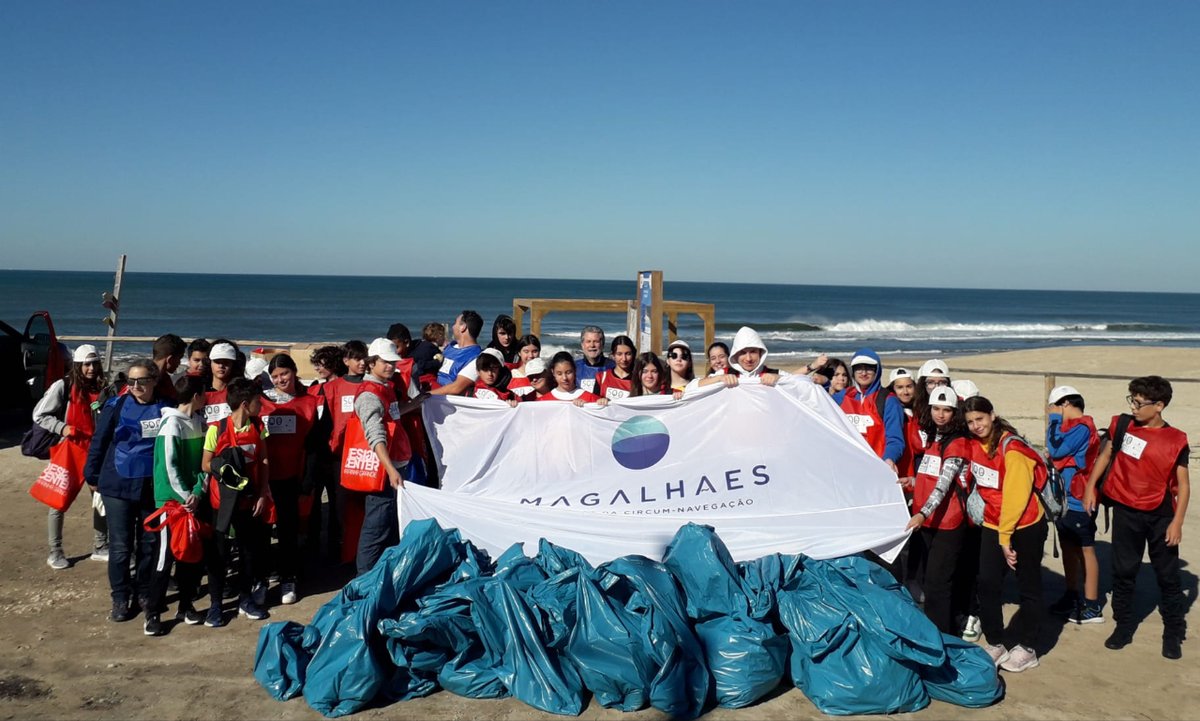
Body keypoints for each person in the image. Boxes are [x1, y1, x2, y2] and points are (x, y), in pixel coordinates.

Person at [1083, 376, 1189, 660]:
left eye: (1139, 403)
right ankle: (1124, 625)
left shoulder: (1176, 439)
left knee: (1167, 576)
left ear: (1159, 406)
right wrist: (1091, 487)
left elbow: (1184, 485)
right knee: (1124, 571)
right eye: (1132, 400)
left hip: (1160, 514)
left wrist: (1177, 521)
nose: (1134, 407)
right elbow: (1106, 455)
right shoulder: (1123, 425)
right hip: (1126, 511)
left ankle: (1173, 630)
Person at [84, 359, 174, 626]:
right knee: (121, 547)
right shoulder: (116, 405)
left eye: (142, 381)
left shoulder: (168, 407)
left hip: (152, 488)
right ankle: (120, 596)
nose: (135, 386)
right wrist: (92, 475)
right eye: (131, 381)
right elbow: (99, 440)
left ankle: (144, 591)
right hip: (117, 485)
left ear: (154, 380)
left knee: (149, 545)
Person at [963, 395, 1047, 673]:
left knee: (1029, 587)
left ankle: (1028, 647)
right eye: (971, 422)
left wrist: (1005, 539)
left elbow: (1015, 497)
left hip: (1025, 525)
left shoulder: (1012, 449)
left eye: (980, 419)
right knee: (987, 582)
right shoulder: (975, 444)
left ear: (993, 416)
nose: (976, 425)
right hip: (993, 523)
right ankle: (996, 641)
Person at [201, 377, 272, 625]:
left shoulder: (258, 426)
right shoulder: (216, 429)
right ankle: (216, 606)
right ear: (244, 403)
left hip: (250, 501)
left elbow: (263, 459)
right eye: (257, 401)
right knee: (218, 555)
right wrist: (225, 472)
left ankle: (245, 599)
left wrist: (263, 493)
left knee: (248, 552)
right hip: (221, 503)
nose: (261, 405)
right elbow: (206, 463)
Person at [903, 386, 972, 635]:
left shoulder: (957, 443)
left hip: (947, 524)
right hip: (929, 523)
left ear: (955, 413)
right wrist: (911, 481)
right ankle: (939, 632)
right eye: (936, 409)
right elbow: (932, 475)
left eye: (947, 410)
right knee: (933, 584)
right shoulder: (936, 438)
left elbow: (944, 484)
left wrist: (922, 513)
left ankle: (943, 637)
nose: (940, 414)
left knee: (937, 586)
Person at [34, 344, 109, 569]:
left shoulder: (104, 387)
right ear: (77, 366)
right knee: (58, 501)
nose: (91, 368)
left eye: (95, 363)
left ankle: (100, 546)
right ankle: (54, 551)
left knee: (100, 500)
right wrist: (62, 428)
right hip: (70, 450)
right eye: (86, 364)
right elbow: (39, 414)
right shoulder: (63, 386)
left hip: (96, 451)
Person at [146, 374, 209, 635]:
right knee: (164, 558)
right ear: (196, 396)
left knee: (191, 557)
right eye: (204, 393)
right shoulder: (171, 424)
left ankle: (186, 605)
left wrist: (198, 491)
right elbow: (169, 467)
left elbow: (205, 462)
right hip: (171, 506)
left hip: (192, 502)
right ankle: (152, 612)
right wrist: (187, 496)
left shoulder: (199, 421)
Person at [259, 353, 322, 605]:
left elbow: (315, 445)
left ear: (294, 372)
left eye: (284, 373)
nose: (280, 379)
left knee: (288, 530)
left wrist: (308, 480)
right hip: (263, 478)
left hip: (291, 478)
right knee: (261, 532)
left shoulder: (308, 402)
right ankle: (260, 580)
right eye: (274, 376)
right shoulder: (262, 402)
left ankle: (289, 578)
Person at [350, 339, 413, 575]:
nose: (391, 366)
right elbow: (375, 435)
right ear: (371, 363)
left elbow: (392, 415)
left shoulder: (384, 388)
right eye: (385, 362)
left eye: (393, 362)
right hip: (383, 473)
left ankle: (375, 577)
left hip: (393, 467)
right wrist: (390, 470)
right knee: (376, 529)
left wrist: (415, 404)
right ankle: (364, 581)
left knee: (386, 527)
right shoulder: (369, 394)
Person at [1044, 385, 1103, 625]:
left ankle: (1092, 605)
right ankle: (1071, 594)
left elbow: (1056, 448)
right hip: (1065, 499)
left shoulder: (1081, 427)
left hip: (1079, 500)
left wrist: (1054, 420)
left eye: (1056, 408)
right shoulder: (1073, 429)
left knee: (1085, 549)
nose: (1053, 414)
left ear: (1066, 404)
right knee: (1068, 547)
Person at [834, 349, 906, 473]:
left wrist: (889, 459)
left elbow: (895, 440)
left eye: (869, 368)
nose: (863, 373)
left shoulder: (889, 401)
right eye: (858, 368)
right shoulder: (842, 396)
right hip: (845, 467)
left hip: (875, 469)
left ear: (877, 371)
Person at [692, 327, 783, 390]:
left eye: (753, 352)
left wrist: (779, 378)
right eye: (743, 353)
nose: (748, 358)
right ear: (735, 355)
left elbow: (796, 382)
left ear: (761, 352)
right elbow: (692, 387)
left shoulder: (775, 374)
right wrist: (719, 378)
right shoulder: (725, 373)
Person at [431, 311, 484, 395]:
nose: (452, 327)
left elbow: (456, 388)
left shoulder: (476, 358)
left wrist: (425, 395)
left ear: (463, 327)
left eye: (455, 323)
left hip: (444, 400)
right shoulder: (450, 347)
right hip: (431, 386)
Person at [541, 351, 605, 406]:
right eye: (559, 374)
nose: (564, 378)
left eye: (568, 373)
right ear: (553, 372)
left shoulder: (590, 398)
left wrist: (588, 406)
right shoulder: (543, 401)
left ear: (575, 370)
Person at [203, 341, 240, 425]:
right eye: (217, 361)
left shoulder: (240, 391)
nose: (221, 366)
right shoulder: (199, 389)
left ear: (233, 364)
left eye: (226, 362)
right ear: (209, 362)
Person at [575, 325, 615, 395]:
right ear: (582, 345)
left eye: (596, 341)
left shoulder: (614, 367)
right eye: (588, 341)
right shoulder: (574, 367)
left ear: (602, 344)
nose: (592, 345)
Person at [595, 336, 636, 400]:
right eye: (619, 354)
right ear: (613, 355)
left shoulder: (638, 379)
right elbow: (593, 403)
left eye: (628, 354)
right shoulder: (601, 377)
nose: (624, 359)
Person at [152, 334, 186, 401]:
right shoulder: (146, 382)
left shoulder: (164, 377)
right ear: (170, 359)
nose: (179, 363)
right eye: (179, 358)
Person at [508, 334, 542, 399]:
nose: (531, 355)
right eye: (526, 351)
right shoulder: (512, 375)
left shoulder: (545, 374)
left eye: (535, 351)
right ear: (519, 353)